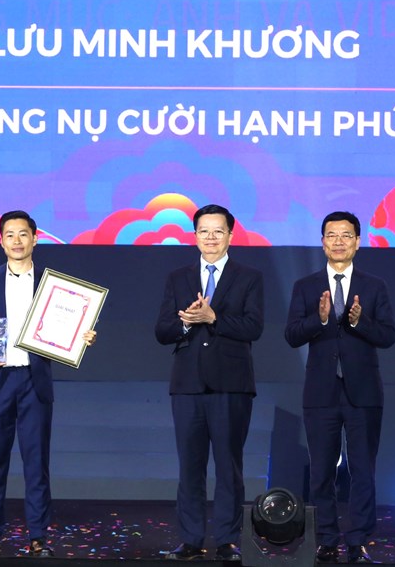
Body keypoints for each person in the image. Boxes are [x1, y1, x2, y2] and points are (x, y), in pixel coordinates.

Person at [0, 210, 97, 558]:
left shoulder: (54, 286)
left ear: (35, 239)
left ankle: (38, 537)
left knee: (37, 464)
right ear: (1, 241)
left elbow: (68, 327)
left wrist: (81, 336)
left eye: (23, 234)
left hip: (34, 382)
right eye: (10, 235)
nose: (17, 241)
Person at [284, 211, 395, 564]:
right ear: (322, 242)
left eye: (346, 235)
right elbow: (291, 335)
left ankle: (358, 540)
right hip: (321, 392)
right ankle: (327, 539)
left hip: (363, 393)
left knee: (362, 470)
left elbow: (388, 336)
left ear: (358, 242)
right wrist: (319, 319)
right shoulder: (305, 286)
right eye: (331, 235)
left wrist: (360, 322)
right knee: (321, 471)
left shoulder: (374, 286)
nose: (338, 241)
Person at [155, 204, 264, 562]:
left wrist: (214, 317)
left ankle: (228, 540)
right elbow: (162, 331)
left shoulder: (249, 277)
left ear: (230, 235)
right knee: (190, 467)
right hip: (187, 385)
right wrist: (187, 322)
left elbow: (254, 327)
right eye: (204, 231)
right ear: (195, 235)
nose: (211, 237)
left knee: (229, 467)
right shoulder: (177, 277)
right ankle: (190, 539)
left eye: (218, 231)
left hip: (231, 385)